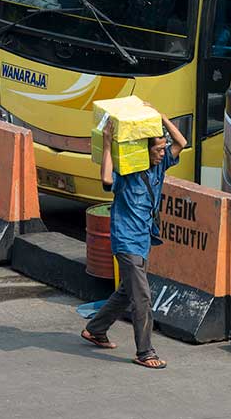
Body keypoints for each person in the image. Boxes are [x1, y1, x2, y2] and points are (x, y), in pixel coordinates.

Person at [81, 102, 186, 369]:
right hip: (126, 241)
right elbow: (106, 180)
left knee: (127, 292)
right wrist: (106, 144)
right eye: (158, 149)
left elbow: (181, 142)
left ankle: (96, 329)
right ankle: (145, 352)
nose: (163, 153)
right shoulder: (128, 172)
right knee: (142, 297)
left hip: (143, 239)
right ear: (144, 150)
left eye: (163, 149)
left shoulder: (159, 168)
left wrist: (160, 116)